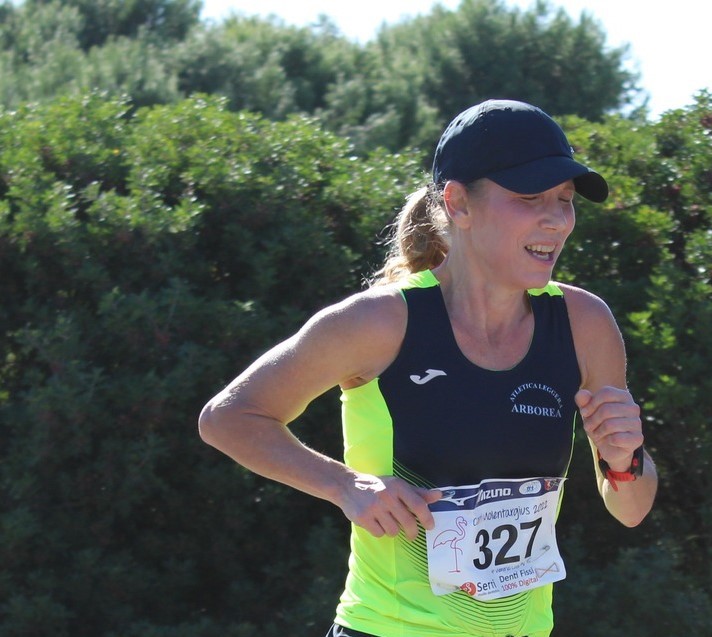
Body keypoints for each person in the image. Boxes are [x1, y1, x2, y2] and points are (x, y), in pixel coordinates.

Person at [199, 99, 658, 637]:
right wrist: (345, 485)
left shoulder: (584, 322)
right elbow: (229, 417)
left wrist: (623, 460)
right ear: (458, 203)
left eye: (565, 199)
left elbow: (631, 509)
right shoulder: (379, 321)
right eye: (529, 197)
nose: (557, 219)